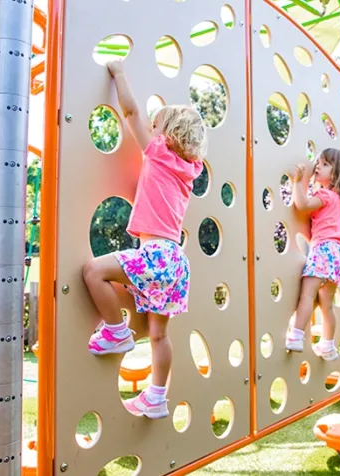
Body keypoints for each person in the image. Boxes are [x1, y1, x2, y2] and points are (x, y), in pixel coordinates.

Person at [82, 59, 207, 419]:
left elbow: (131, 110)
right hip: (175, 262)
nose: (149, 130)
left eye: (156, 127)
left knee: (93, 271)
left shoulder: (158, 152)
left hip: (157, 255)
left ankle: (116, 330)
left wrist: (120, 73)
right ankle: (156, 397)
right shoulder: (188, 169)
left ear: (166, 135)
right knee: (158, 336)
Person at [285, 148, 340, 361]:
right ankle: (327, 345)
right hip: (338, 254)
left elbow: (303, 206)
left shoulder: (325, 195)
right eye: (318, 162)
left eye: (324, 164)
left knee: (307, 295)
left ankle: (296, 336)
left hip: (323, 249)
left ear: (336, 174)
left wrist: (298, 183)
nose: (317, 166)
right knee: (327, 304)